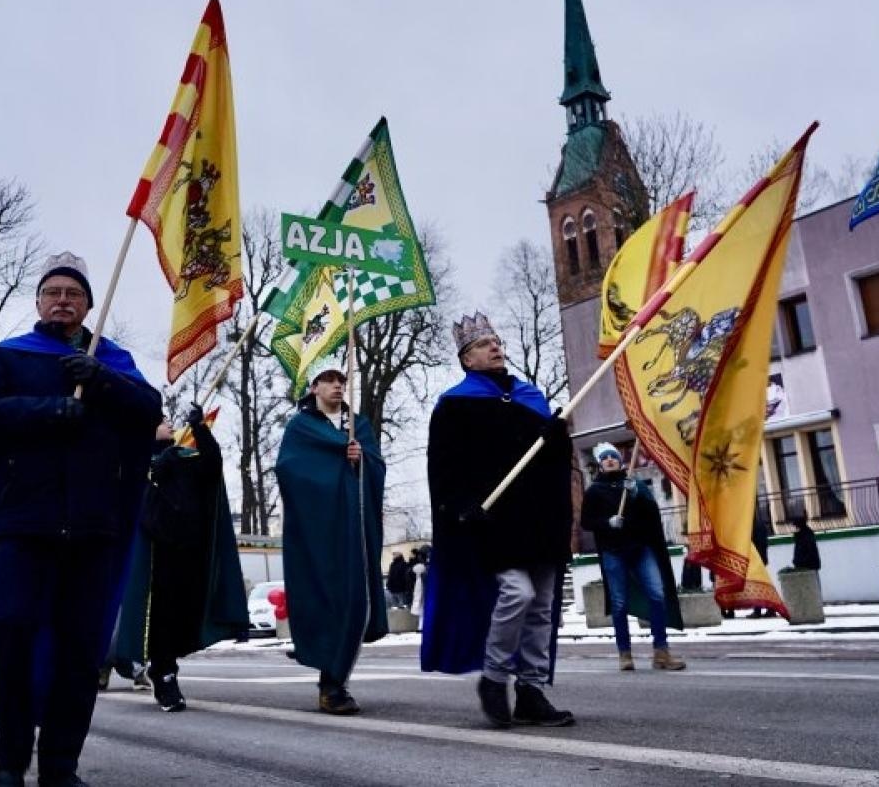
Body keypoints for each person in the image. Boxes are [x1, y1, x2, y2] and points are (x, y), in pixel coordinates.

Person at [0, 252, 162, 787]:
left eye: (74, 293)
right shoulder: (8, 358)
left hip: (94, 529)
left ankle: (61, 765)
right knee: (13, 635)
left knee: (80, 648)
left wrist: (103, 383)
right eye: (54, 292)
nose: (63, 300)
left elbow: (150, 410)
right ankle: (10, 761)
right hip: (23, 524)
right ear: (39, 302)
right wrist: (46, 413)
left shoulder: (113, 361)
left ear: (89, 305)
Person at [422, 312, 574, 729]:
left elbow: (553, 462)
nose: (495, 346)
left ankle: (530, 689)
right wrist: (458, 504)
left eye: (496, 341)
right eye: (483, 344)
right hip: (494, 524)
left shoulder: (531, 397)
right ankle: (493, 677)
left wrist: (558, 437)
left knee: (542, 607)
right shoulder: (455, 404)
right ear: (466, 359)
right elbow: (444, 466)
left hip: (539, 520)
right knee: (517, 594)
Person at [109, 409, 247, 713]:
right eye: (161, 421)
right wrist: (155, 469)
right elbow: (128, 498)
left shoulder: (184, 458)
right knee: (162, 617)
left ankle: (165, 668)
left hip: (190, 552)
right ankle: (165, 675)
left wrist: (200, 429)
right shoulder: (135, 458)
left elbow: (212, 466)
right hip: (158, 556)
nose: (169, 423)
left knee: (183, 615)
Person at [276, 356, 386, 715]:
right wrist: (335, 455)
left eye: (341, 379)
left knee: (355, 599)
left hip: (355, 530)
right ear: (314, 388)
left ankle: (337, 679)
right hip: (320, 533)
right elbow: (290, 470)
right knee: (327, 598)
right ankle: (331, 683)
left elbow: (376, 467)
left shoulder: (359, 426)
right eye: (328, 380)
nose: (337, 385)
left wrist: (360, 459)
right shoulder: (301, 428)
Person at [579, 442, 685, 672]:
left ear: (620, 460)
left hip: (641, 548)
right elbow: (586, 522)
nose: (609, 459)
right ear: (600, 463)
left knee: (657, 595)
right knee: (619, 603)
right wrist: (607, 522)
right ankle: (624, 654)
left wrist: (638, 495)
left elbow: (651, 515)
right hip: (613, 551)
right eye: (605, 457)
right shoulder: (594, 491)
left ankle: (661, 652)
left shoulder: (634, 485)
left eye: (613, 456)